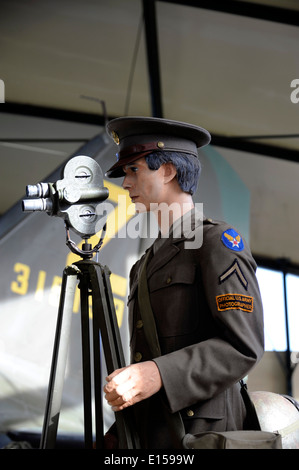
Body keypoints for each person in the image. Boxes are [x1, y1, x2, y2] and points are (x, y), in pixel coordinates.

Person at [103, 116, 264, 449]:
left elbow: (242, 345)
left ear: (168, 171)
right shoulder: (144, 264)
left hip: (203, 435)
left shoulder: (217, 242)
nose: (126, 183)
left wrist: (158, 373)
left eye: (134, 170)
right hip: (154, 434)